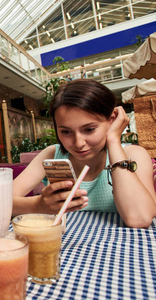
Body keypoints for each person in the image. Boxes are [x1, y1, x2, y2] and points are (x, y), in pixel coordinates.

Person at [13, 79, 156, 228]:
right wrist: (39, 205)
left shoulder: (134, 155)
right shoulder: (52, 154)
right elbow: (0, 202)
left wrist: (113, 140)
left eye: (89, 129)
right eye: (66, 131)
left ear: (112, 119)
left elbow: (140, 218)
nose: (78, 143)